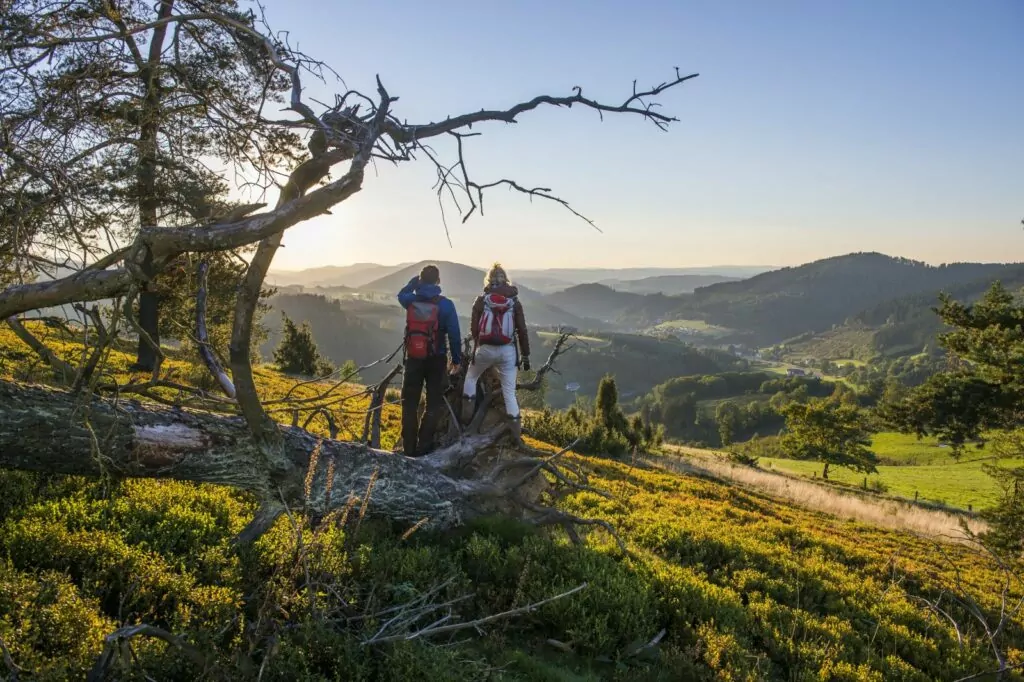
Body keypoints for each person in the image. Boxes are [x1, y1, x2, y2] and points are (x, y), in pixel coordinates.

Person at [462, 263, 530, 443]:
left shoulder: (482, 300)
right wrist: (526, 355)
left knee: (471, 377)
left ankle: (466, 420)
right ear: (506, 280)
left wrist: (478, 346)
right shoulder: (514, 302)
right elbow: (522, 330)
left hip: (485, 349)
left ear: (489, 280)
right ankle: (516, 436)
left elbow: (474, 328)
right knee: (509, 392)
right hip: (508, 351)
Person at [397, 264, 461, 456]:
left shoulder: (410, 300)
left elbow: (400, 294)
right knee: (433, 403)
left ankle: (408, 447)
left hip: (413, 359)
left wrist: (413, 283)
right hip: (436, 359)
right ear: (438, 281)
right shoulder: (445, 305)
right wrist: (456, 359)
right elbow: (454, 335)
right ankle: (424, 445)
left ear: (421, 280)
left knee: (409, 403)